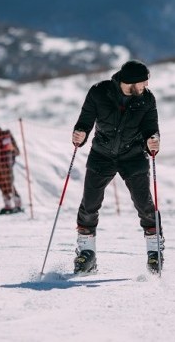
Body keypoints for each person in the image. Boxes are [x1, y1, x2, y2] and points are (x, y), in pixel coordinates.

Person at [71, 60, 162, 273]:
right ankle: (87, 253)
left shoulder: (147, 99)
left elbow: (152, 128)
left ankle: (154, 253)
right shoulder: (99, 92)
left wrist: (153, 140)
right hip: (101, 155)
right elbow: (84, 121)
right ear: (129, 82)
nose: (145, 87)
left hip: (133, 156)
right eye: (142, 83)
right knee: (89, 203)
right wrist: (80, 134)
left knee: (144, 204)